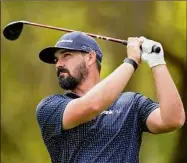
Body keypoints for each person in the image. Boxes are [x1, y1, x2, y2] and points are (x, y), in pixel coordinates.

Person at [36, 31, 185, 163]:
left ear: (90, 58)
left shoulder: (130, 103)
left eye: (66, 55)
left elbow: (173, 120)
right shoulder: (50, 106)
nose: (58, 64)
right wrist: (131, 61)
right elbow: (92, 105)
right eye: (56, 60)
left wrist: (157, 61)